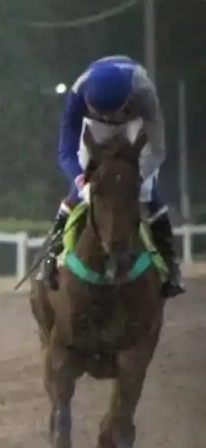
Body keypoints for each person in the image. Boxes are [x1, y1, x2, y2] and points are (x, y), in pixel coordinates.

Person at [42, 55, 183, 297]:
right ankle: (50, 257)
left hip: (134, 123)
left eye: (112, 115)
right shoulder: (77, 94)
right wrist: (79, 180)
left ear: (128, 100)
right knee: (80, 193)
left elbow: (157, 151)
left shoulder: (144, 93)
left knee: (148, 190)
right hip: (93, 127)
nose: (108, 121)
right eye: (101, 114)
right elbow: (65, 152)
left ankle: (171, 266)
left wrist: (136, 179)